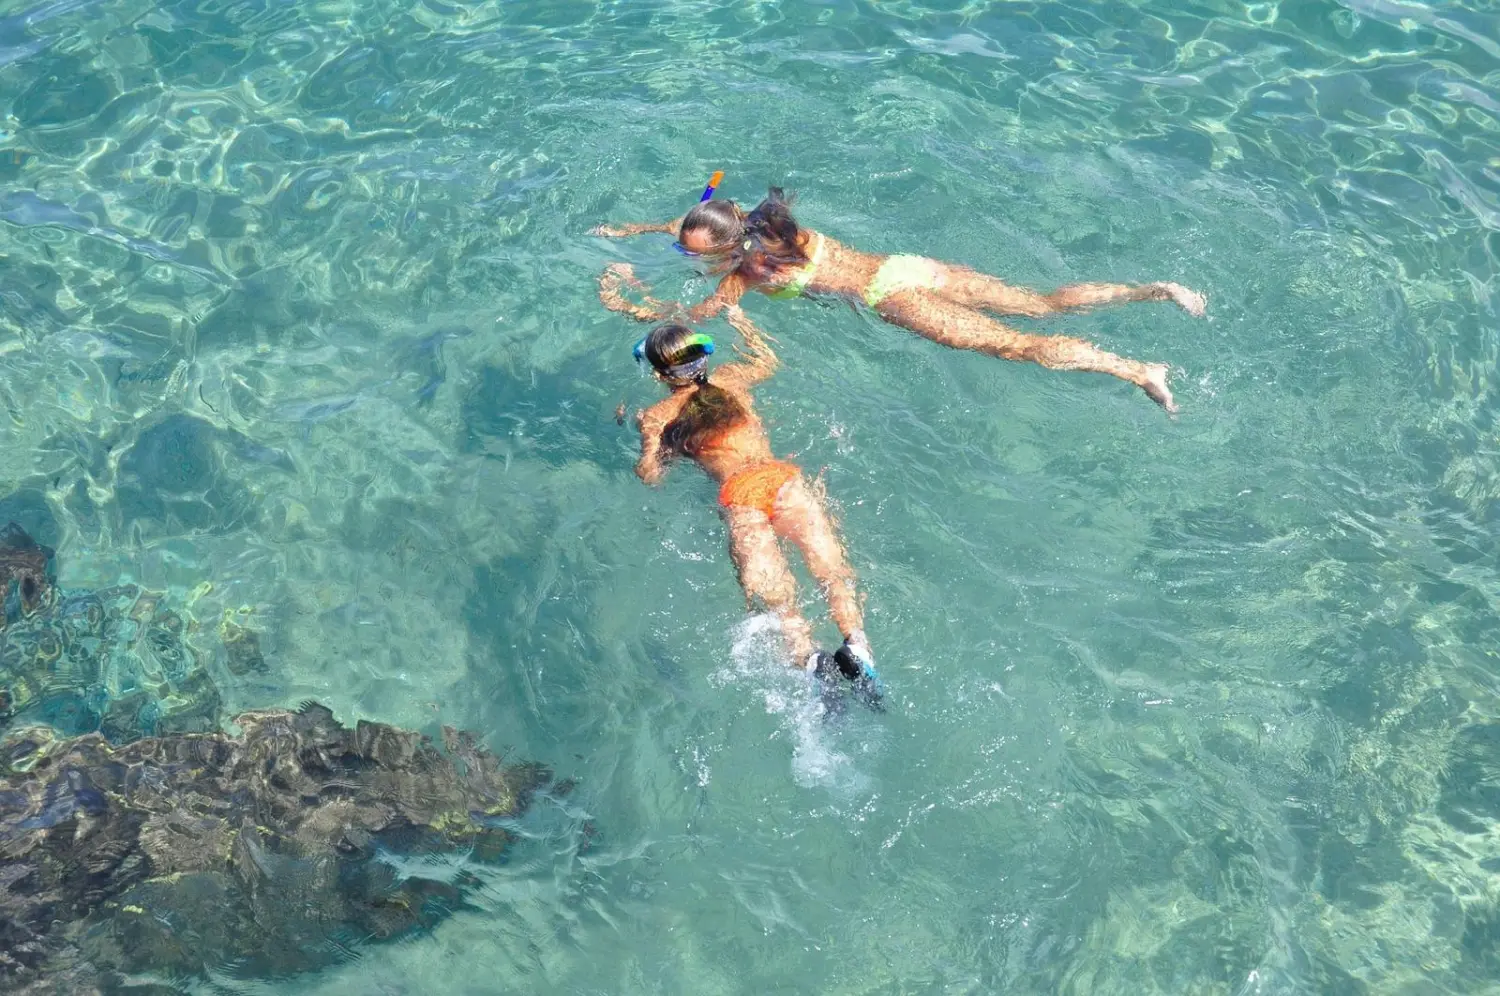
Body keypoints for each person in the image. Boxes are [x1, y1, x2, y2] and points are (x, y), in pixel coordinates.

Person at [593, 187, 1207, 411]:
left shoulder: (747, 273)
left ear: (723, 246)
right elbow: (696, 223)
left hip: (895, 298)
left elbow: (693, 325)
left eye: (691, 248)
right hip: (907, 266)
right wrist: (638, 231)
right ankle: (1157, 290)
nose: (686, 250)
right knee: (1042, 304)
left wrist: (630, 304)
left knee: (1018, 346)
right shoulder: (764, 225)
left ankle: (1138, 370)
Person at [626, 317, 882, 707]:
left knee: (778, 599)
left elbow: (650, 476)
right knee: (831, 571)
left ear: (661, 376)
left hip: (742, 494)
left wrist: (643, 432)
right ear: (704, 358)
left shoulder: (659, 414)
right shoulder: (733, 379)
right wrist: (745, 324)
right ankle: (857, 645)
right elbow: (768, 359)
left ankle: (813, 664)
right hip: (781, 478)